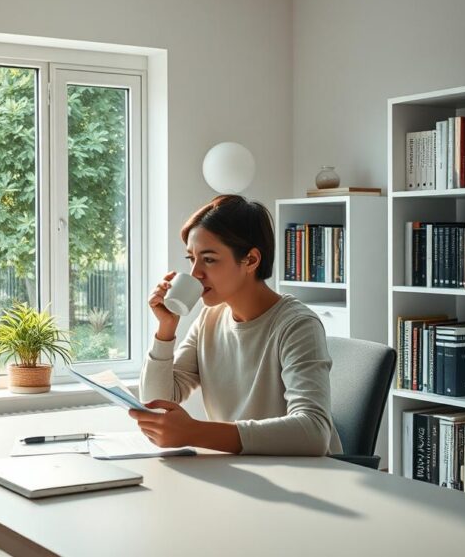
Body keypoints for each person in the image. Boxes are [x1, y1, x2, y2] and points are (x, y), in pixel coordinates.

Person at [131, 195, 343, 456]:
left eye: (208, 259)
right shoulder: (209, 319)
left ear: (251, 260)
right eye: (191, 259)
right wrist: (166, 329)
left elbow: (313, 432)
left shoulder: (297, 325)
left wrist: (195, 432)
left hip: (304, 476)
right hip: (242, 470)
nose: (195, 272)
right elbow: (157, 403)